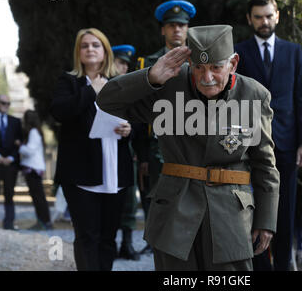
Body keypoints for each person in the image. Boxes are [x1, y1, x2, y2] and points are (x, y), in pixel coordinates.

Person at [97, 24, 280, 271]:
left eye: (216, 67)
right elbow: (107, 99)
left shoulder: (254, 95)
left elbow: (265, 164)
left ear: (233, 63)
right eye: (198, 68)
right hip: (175, 213)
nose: (207, 78)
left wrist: (266, 220)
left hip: (230, 217)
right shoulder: (169, 86)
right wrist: (150, 76)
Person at [235, 0, 302, 271]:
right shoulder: (239, 52)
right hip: (250, 144)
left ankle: (282, 265)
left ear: (277, 16)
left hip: (287, 144)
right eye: (258, 17)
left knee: (285, 211)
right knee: (252, 209)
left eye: (268, 16)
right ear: (249, 19)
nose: (264, 21)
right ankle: (258, 266)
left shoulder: (293, 52)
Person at [50, 28, 134, 271]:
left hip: (115, 170)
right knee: (87, 236)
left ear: (105, 51)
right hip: (81, 172)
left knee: (108, 238)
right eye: (84, 46)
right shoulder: (68, 81)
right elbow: (60, 112)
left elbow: (137, 117)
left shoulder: (120, 82)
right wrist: (91, 90)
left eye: (95, 45)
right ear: (78, 52)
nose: (90, 49)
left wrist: (130, 129)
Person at [137, 0, 197, 255]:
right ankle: (156, 241)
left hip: (192, 138)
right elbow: (138, 112)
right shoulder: (147, 63)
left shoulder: (200, 61)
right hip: (157, 143)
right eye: (171, 25)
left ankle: (186, 239)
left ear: (188, 29)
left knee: (189, 192)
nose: (177, 30)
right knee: (156, 192)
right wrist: (141, 154)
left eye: (181, 25)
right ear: (163, 30)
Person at [111, 44, 140, 261]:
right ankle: (109, 243)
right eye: (120, 62)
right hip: (105, 150)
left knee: (129, 198)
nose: (124, 68)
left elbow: (140, 121)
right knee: (109, 199)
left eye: (126, 64)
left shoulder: (131, 91)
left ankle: (127, 244)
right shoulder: (101, 88)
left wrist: (131, 132)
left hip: (127, 151)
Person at [0, 95, 23, 230]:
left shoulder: (15, 121)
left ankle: (9, 224)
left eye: (8, 103)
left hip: (10, 165)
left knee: (9, 194)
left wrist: (11, 158)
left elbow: (19, 143)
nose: (6, 106)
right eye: (3, 103)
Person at [17, 110, 53, 230]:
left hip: (33, 169)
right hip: (34, 169)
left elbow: (30, 151)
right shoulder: (36, 132)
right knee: (38, 197)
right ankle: (43, 222)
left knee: (38, 197)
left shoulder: (33, 132)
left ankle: (44, 222)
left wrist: (20, 146)